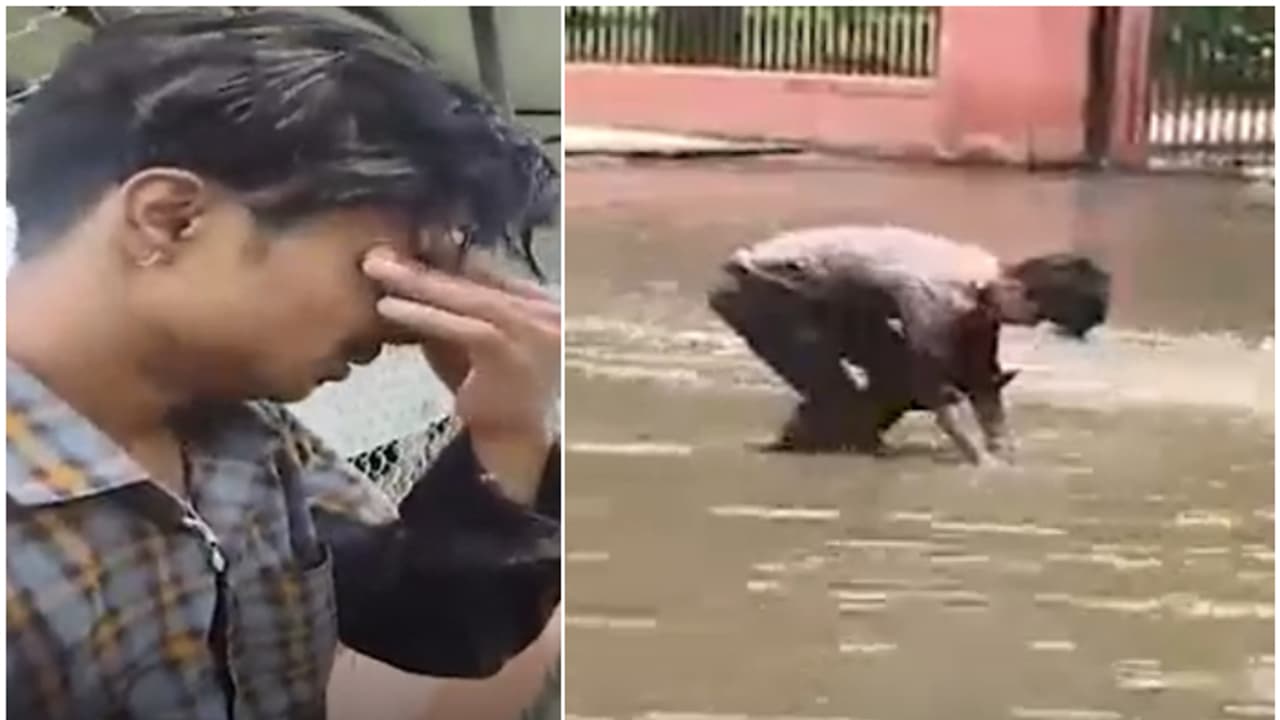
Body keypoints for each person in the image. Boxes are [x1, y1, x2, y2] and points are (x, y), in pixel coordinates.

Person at [6, 9, 561, 719]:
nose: (399, 327)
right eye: (383, 274)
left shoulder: (245, 438)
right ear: (171, 219)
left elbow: (429, 625)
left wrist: (506, 431)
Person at [708, 225, 1110, 465]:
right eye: (1037, 318)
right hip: (758, 288)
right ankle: (802, 456)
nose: (1032, 327)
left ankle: (845, 444)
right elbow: (930, 382)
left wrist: (1001, 446)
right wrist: (977, 459)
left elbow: (980, 376)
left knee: (894, 384)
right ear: (1017, 291)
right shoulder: (938, 291)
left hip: (829, 298)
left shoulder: (985, 284)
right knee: (843, 403)